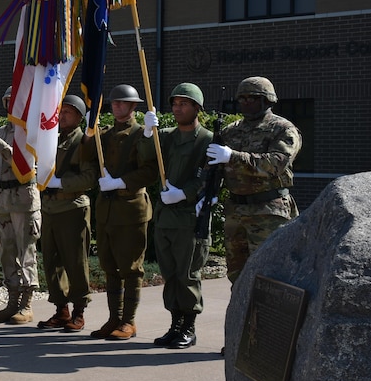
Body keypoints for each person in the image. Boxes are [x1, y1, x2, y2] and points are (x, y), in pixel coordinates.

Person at [205, 76, 301, 284]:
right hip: (236, 212)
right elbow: (216, 167)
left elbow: (276, 163)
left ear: (267, 100)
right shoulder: (231, 131)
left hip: (269, 211)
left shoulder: (282, 129)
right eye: (242, 98)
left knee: (270, 274)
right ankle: (242, 317)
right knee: (237, 276)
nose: (246, 102)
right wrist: (208, 192)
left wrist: (233, 156)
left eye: (252, 98)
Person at [143, 83, 212, 349]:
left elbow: (208, 177)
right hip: (165, 218)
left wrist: (184, 193)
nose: (177, 108)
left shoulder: (206, 138)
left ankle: (189, 328)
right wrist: (148, 133)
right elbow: (149, 159)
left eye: (184, 103)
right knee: (170, 275)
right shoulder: (167, 136)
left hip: (188, 218)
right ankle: (175, 325)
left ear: (197, 107)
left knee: (187, 275)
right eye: (175, 103)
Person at [90, 84, 159, 340]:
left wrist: (120, 182)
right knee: (109, 267)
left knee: (130, 268)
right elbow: (89, 159)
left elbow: (151, 171)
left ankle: (128, 321)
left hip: (131, 209)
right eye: (114, 103)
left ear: (133, 107)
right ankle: (113, 318)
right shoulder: (102, 135)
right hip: (107, 209)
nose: (117, 106)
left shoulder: (143, 134)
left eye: (122, 103)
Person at [0, 86, 42, 325]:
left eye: (15, 101)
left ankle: (26, 304)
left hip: (23, 197)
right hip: (2, 197)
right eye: (8, 102)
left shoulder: (30, 131)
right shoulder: (2, 130)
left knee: (26, 252)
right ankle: (12, 301)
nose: (10, 105)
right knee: (6, 250)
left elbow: (21, 162)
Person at [37, 94, 98, 332]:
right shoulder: (51, 138)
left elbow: (90, 177)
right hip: (50, 207)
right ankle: (60, 309)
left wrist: (61, 183)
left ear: (80, 117)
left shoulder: (83, 142)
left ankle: (79, 311)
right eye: (61, 111)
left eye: (68, 112)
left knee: (75, 262)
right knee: (52, 262)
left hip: (72, 207)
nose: (62, 116)